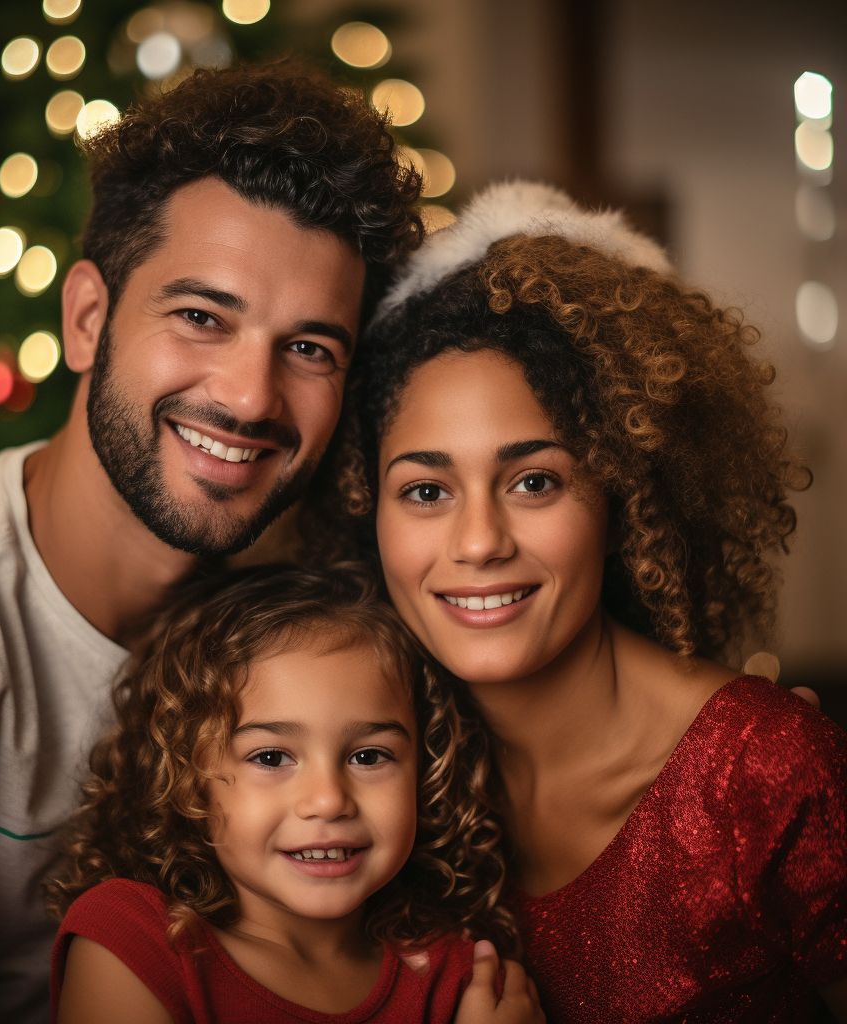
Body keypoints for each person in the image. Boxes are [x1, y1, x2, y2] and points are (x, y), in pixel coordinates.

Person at [0, 61, 423, 1024]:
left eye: (310, 348)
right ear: (88, 318)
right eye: (201, 317)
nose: (249, 397)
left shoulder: (332, 606)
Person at [338, 180, 847, 1021]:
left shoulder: (764, 776)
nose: (476, 542)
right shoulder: (382, 782)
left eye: (534, 481)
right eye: (426, 491)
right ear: (371, 513)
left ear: (623, 500)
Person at [46, 562, 542, 1024]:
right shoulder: (137, 943)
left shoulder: (460, 976)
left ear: (428, 772)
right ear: (187, 776)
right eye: (271, 758)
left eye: (368, 757)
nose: (328, 801)